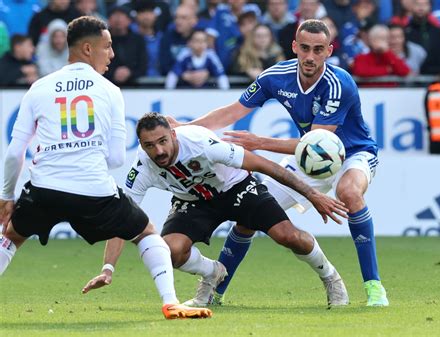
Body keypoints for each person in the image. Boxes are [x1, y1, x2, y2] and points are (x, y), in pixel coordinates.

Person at [0, 16, 211, 320]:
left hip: (44, 188)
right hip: (93, 190)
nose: (112, 54)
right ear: (88, 48)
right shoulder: (110, 91)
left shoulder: (39, 88)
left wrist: (7, 197)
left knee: (10, 237)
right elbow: (114, 158)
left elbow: (13, 154)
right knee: (147, 233)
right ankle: (170, 302)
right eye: (107, 47)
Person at [169, 19, 389, 307]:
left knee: (349, 193)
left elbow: (319, 142)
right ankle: (215, 291)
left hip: (353, 154)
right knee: (250, 213)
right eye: (306, 48)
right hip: (308, 160)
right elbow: (232, 111)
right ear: (294, 47)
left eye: (318, 50)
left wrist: (260, 142)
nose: (310, 56)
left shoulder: (339, 84)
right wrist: (184, 128)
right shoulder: (276, 76)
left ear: (329, 51)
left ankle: (374, 286)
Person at [81, 113, 350, 309]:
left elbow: (263, 165)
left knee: (289, 236)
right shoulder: (142, 169)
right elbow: (122, 219)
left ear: (174, 134)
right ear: (141, 146)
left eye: (163, 141)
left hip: (237, 188)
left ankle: (331, 277)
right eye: (150, 145)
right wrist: (108, 268)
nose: (159, 150)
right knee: (169, 251)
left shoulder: (199, 143)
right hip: (194, 201)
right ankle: (213, 272)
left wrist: (312, 194)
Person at [165, 29, 229, 89]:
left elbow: (222, 76)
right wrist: (183, 75)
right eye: (197, 41)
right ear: (190, 43)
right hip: (186, 92)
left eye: (203, 41)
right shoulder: (184, 54)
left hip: (207, 93)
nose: (200, 44)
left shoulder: (211, 56)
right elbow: (173, 75)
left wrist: (225, 93)